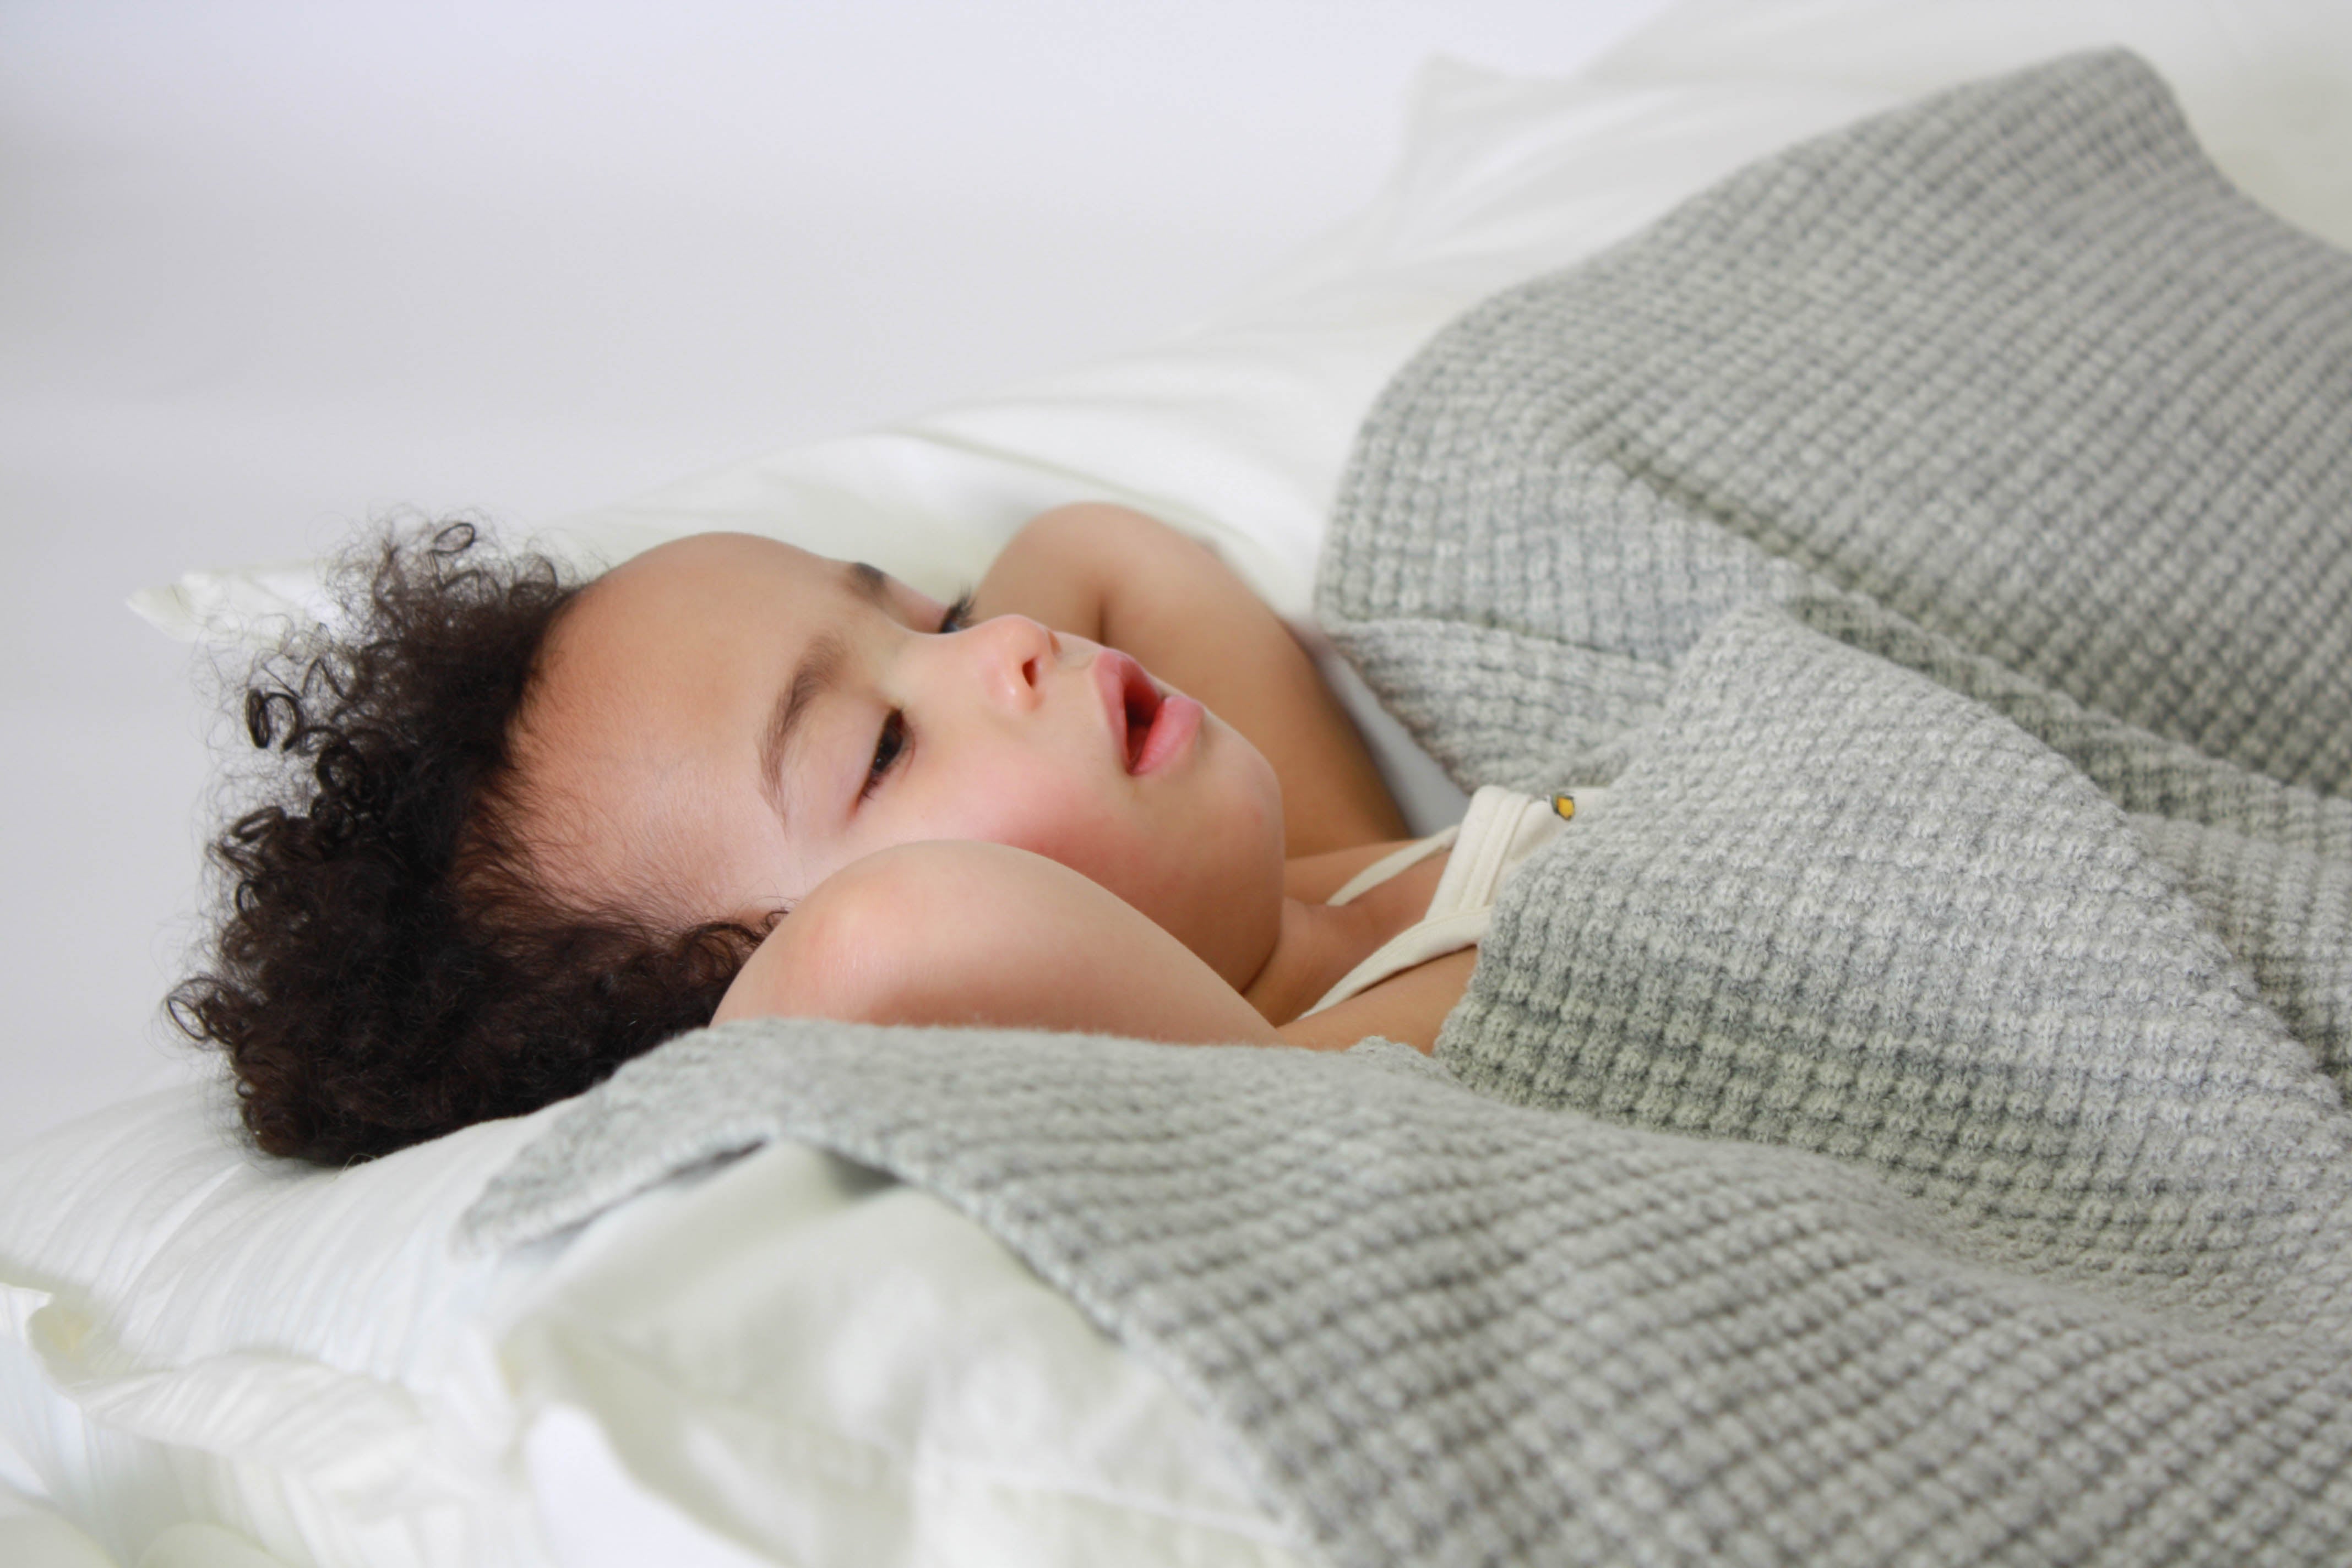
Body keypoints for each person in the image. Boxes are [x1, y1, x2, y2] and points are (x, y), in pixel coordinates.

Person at [177, 503, 1554, 1164]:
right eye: (882, 747)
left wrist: (941, 687)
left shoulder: (1310, 870)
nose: (1013, 641)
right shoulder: (1338, 1087)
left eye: (932, 615)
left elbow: (1094, 549)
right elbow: (879, 938)